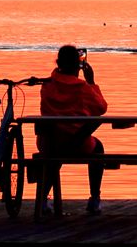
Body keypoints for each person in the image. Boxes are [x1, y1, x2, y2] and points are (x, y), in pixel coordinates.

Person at [38, 44, 108, 215]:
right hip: (76, 144)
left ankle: (42, 199)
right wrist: (91, 81)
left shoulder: (46, 85)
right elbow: (101, 108)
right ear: (78, 65)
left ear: (58, 63)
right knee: (98, 149)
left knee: (54, 157)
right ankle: (94, 199)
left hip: (48, 144)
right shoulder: (82, 87)